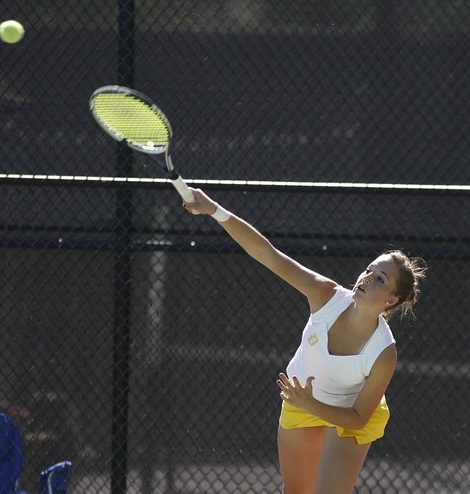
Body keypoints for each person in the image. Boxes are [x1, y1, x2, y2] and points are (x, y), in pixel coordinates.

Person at [183, 188, 426, 494]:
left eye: (380, 279)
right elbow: (267, 254)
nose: (366, 278)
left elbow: (357, 418)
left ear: (392, 299)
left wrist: (311, 403)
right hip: (301, 402)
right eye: (369, 270)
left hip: (348, 415)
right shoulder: (325, 294)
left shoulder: (383, 353)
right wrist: (214, 210)